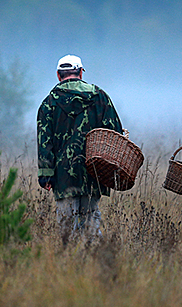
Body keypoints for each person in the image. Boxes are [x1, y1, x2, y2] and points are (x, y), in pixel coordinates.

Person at [37, 54, 123, 247]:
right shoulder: (100, 97)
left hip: (62, 176)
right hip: (93, 172)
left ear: (59, 75)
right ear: (81, 73)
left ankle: (69, 263)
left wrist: (45, 175)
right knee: (91, 222)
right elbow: (115, 133)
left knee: (66, 227)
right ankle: (94, 262)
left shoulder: (48, 103)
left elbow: (45, 142)